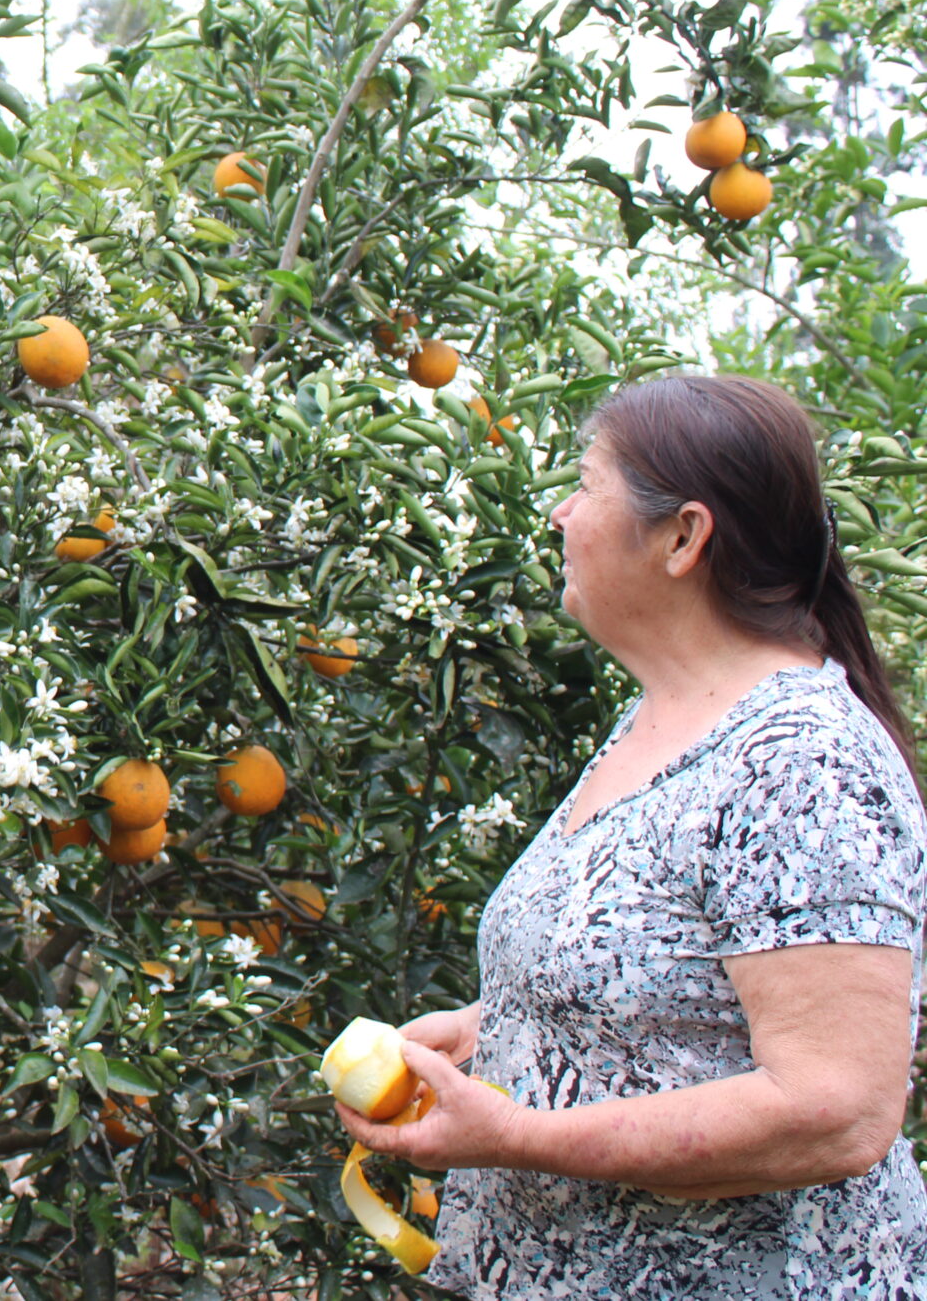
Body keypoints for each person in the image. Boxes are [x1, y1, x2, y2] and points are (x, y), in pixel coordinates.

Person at [337, 373, 926, 1296]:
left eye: (584, 483)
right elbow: (672, 996)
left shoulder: (803, 761)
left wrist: (517, 1136)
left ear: (683, 536)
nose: (562, 514)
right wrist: (498, 1033)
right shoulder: (663, 720)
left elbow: (835, 1111)